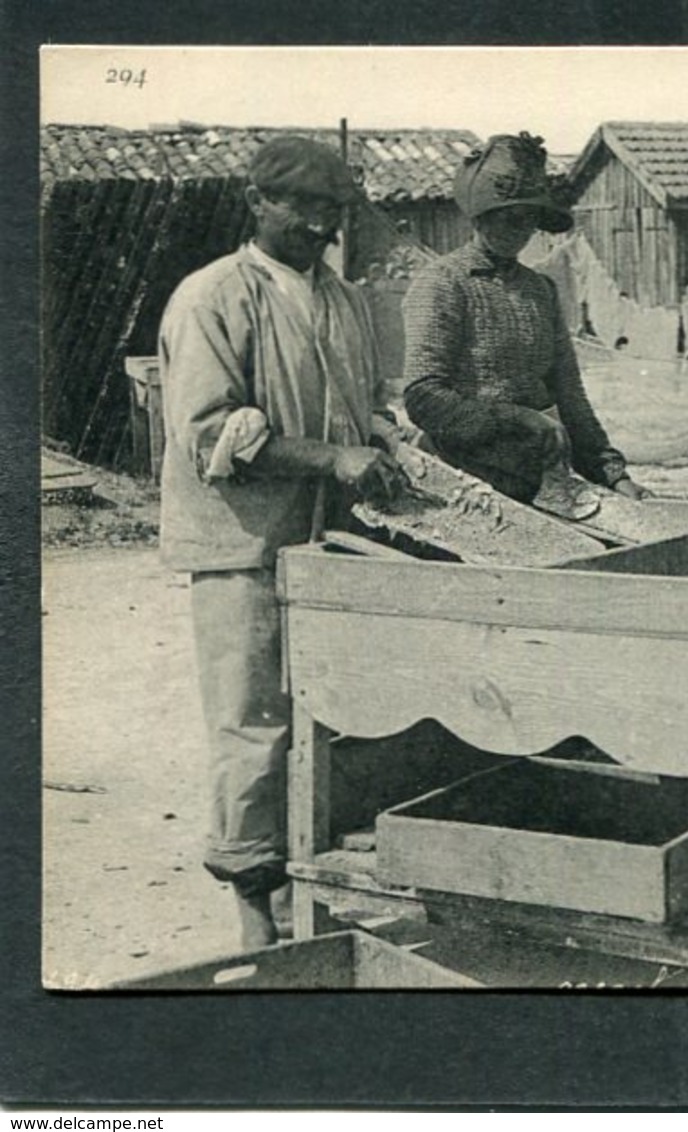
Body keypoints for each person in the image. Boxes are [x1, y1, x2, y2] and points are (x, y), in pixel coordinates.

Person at [158, 136, 406, 948]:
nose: (319, 225)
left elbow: (366, 403)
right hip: (245, 548)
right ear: (257, 202)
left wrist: (379, 441)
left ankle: (310, 896)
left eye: (332, 211)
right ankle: (254, 914)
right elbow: (211, 436)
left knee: (329, 724)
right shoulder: (213, 298)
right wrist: (334, 456)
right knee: (254, 725)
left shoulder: (341, 298)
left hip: (334, 547)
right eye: (301, 207)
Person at [401, 132, 646, 505]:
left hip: (538, 478)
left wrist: (614, 476)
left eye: (529, 219)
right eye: (508, 218)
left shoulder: (540, 291)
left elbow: (570, 396)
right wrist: (515, 418)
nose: (519, 230)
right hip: (460, 481)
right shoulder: (443, 284)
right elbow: (424, 398)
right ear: (480, 217)